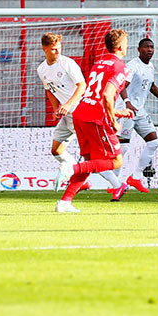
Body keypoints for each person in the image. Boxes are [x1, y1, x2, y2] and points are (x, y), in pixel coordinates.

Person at [56, 28, 134, 213]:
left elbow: (95, 96)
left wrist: (119, 112)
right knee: (116, 161)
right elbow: (107, 95)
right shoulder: (121, 67)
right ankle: (70, 169)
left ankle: (65, 202)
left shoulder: (99, 63)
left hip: (80, 114)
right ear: (122, 47)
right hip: (96, 120)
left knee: (89, 162)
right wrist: (113, 119)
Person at [36, 32, 120, 195]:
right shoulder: (42, 69)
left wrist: (67, 105)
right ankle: (81, 179)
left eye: (59, 48)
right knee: (57, 150)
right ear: (44, 49)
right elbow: (50, 90)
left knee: (91, 158)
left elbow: (82, 86)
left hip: (80, 112)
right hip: (68, 114)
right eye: (53, 49)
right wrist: (56, 109)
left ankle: (117, 185)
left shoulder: (67, 64)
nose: (58, 52)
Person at [114, 37, 158, 196]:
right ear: (139, 49)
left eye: (151, 47)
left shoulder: (150, 66)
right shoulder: (132, 66)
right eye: (146, 47)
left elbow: (150, 85)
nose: (149, 50)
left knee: (153, 142)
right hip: (126, 110)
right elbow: (122, 85)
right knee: (123, 147)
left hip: (140, 111)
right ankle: (114, 183)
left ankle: (135, 177)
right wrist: (127, 103)